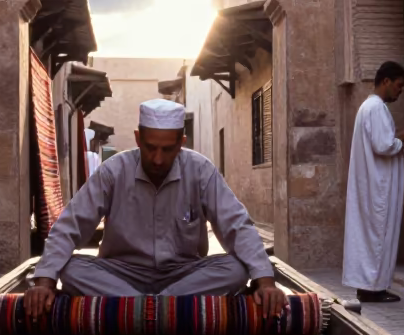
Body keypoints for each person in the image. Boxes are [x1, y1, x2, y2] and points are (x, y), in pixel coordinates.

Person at [25, 98, 286, 322]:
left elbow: (237, 225)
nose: (158, 159)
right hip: (121, 273)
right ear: (138, 138)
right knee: (71, 269)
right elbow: (70, 225)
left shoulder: (200, 170)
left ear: (181, 143)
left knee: (236, 269)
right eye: (150, 148)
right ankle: (165, 309)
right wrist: (44, 282)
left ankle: (139, 309)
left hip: (184, 275)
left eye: (168, 149)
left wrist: (265, 282)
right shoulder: (114, 171)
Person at [341, 61, 404, 303]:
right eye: (399, 85)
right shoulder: (375, 108)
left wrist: (398, 140)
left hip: (375, 185)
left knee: (372, 236)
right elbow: (383, 145)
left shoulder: (370, 107)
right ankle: (373, 289)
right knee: (378, 235)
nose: (400, 90)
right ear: (385, 81)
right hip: (379, 189)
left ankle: (369, 287)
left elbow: (382, 141)